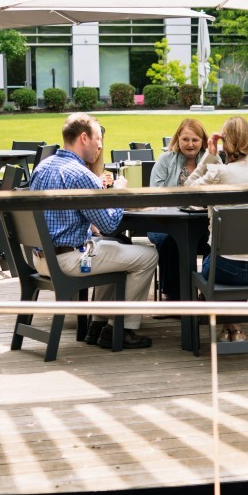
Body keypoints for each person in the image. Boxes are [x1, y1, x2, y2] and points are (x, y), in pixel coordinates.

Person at [29, 112, 158, 349]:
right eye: (98, 137)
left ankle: (97, 325)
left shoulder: (43, 166)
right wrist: (118, 191)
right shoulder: (80, 174)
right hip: (67, 260)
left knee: (112, 249)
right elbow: (109, 225)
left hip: (40, 258)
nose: (100, 144)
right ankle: (122, 328)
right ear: (84, 138)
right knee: (148, 255)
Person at [185, 115, 248, 343]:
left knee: (221, 261)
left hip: (225, 270)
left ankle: (231, 327)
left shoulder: (220, 174)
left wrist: (210, 156)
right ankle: (235, 329)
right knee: (237, 257)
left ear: (224, 141)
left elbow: (188, 190)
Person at [148, 117, 210, 302]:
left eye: (195, 140)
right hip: (165, 221)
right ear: (177, 139)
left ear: (202, 141)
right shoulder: (165, 160)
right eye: (185, 139)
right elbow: (155, 193)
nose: (190, 144)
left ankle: (207, 292)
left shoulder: (210, 160)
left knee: (216, 239)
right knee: (169, 240)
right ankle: (174, 297)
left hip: (200, 223)